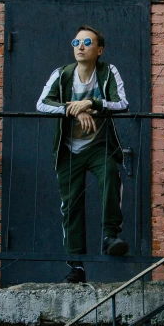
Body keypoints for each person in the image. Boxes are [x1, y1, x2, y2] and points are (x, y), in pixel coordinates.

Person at [37, 25, 129, 283]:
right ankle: (76, 265)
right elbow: (42, 103)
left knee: (111, 174)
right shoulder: (62, 74)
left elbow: (122, 102)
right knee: (71, 206)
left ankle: (111, 236)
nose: (80, 46)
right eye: (76, 42)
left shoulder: (108, 71)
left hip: (99, 146)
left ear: (99, 50)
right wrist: (75, 109)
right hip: (68, 150)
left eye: (87, 42)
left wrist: (91, 103)